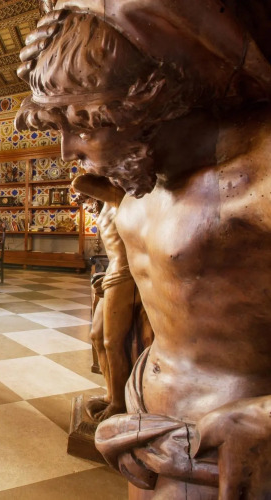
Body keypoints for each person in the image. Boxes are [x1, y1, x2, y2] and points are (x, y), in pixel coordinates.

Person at [16, 1, 271, 498]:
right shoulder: (140, 175)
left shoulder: (256, 173)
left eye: (83, 124)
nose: (66, 151)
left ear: (147, 106)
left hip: (223, 447)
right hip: (146, 425)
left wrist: (262, 420)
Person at [74, 175, 153, 423]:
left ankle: (119, 403)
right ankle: (110, 394)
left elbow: (80, 183)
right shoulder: (107, 204)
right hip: (112, 272)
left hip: (125, 274)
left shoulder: (121, 196)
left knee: (113, 342)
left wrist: (91, 174)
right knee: (97, 336)